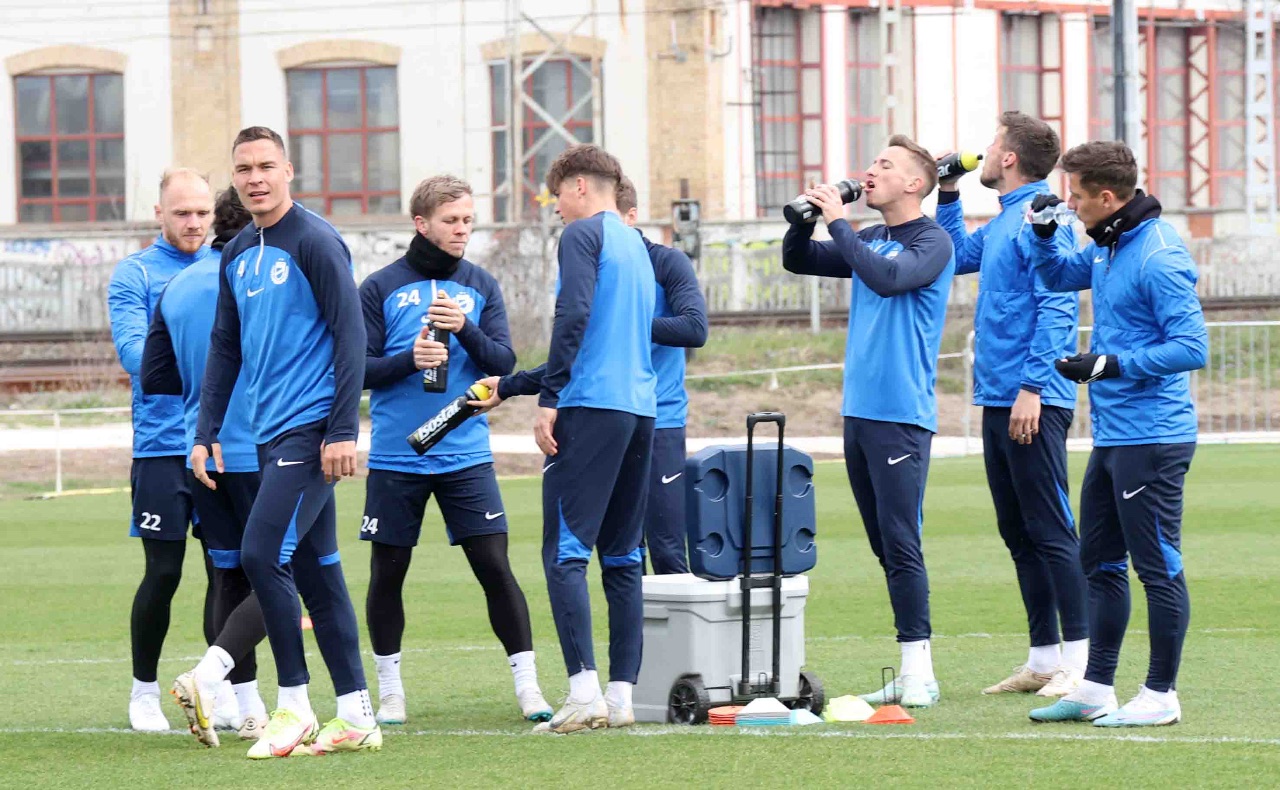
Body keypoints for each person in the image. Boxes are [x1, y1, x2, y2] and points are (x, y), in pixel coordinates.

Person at [195, 126, 379, 758]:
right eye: (244, 168)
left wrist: (343, 428)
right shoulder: (236, 252)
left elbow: (351, 336)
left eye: (266, 166)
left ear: (288, 170)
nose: (255, 178)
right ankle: (356, 715)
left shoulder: (316, 240)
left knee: (260, 554)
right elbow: (225, 346)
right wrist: (205, 432)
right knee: (318, 572)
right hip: (268, 432)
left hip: (312, 428)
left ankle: (294, 706)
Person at [471, 144, 656, 733]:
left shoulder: (582, 235)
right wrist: (515, 385)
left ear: (579, 186)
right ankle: (621, 698)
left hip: (590, 406)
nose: (554, 209)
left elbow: (573, 315)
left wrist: (548, 399)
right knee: (623, 557)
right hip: (640, 410)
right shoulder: (638, 244)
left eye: (555, 196)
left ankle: (583, 693)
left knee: (566, 554)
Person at [357, 175, 550, 727]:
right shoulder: (379, 287)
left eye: (468, 220)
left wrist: (464, 328)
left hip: (465, 454)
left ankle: (528, 687)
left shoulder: (481, 285)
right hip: (396, 457)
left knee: (494, 567)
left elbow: (504, 362)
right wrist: (408, 361)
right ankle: (390, 693)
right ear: (421, 224)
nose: (462, 229)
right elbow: (359, 368)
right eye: (451, 221)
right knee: (388, 573)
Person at [1027, 141, 1208, 727]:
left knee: (1157, 566)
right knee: (1099, 561)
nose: (1070, 204)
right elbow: (1058, 276)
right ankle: (1095, 689)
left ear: (1107, 197)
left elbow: (1192, 347)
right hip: (1113, 436)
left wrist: (1111, 364)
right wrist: (1043, 233)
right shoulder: (1107, 245)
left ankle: (1161, 696)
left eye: (1076, 196)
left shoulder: (1158, 255)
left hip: (1153, 438)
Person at [781, 135, 955, 708]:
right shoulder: (873, 238)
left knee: (902, 541)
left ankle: (920, 672)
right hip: (858, 412)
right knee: (884, 544)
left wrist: (839, 223)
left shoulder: (933, 241)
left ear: (915, 183)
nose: (870, 171)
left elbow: (887, 278)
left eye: (885, 164)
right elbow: (798, 260)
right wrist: (805, 220)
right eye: (873, 162)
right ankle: (910, 668)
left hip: (901, 415)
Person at [934, 112, 1090, 698]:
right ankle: (1043, 659)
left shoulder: (1044, 216)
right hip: (1000, 395)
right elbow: (953, 256)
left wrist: (1034, 386)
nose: (984, 150)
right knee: (1018, 531)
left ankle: (1080, 663)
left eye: (993, 142)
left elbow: (1058, 305)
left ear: (1009, 158)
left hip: (1032, 397)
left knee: (1050, 528)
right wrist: (948, 193)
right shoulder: (1003, 219)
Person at [142, 185, 271, 746]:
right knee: (286, 574)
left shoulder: (178, 284)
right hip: (264, 447)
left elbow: (155, 376)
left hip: (204, 451)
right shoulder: (259, 278)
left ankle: (249, 708)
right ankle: (215, 680)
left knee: (228, 575)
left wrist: (202, 383)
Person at [108, 168, 219, 732]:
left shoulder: (229, 267)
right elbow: (137, 359)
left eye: (202, 212)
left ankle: (222, 690)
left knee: (227, 571)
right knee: (164, 571)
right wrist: (211, 360)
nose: (194, 223)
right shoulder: (136, 274)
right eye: (182, 213)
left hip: (222, 442)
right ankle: (144, 692)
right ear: (159, 213)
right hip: (161, 447)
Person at [614, 176, 709, 574]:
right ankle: (630, 620)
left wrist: (625, 322)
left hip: (660, 419)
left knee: (668, 549)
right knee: (622, 551)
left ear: (630, 216)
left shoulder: (667, 262)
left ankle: (677, 620)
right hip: (607, 418)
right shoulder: (588, 268)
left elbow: (694, 329)